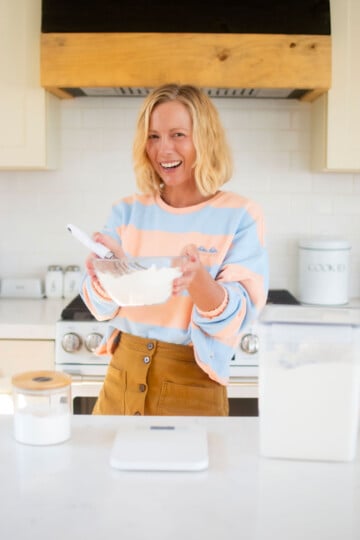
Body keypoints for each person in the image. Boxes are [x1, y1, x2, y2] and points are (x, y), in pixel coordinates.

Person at [81, 83, 269, 416]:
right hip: (120, 377)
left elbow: (236, 320)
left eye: (178, 135)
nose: (163, 150)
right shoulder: (126, 212)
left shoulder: (240, 215)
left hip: (193, 381)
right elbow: (99, 306)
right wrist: (110, 275)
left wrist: (199, 282)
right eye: (153, 137)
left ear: (205, 139)